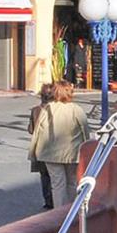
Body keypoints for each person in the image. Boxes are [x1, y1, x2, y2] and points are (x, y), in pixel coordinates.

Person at [27, 81, 89, 209]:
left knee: (57, 184)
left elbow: (38, 131)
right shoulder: (76, 109)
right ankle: (71, 211)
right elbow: (85, 131)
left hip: (50, 153)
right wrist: (88, 150)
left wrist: (34, 151)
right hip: (72, 153)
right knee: (72, 182)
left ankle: (59, 212)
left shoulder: (48, 108)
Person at [27, 81, 56, 211]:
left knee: (44, 175)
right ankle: (57, 200)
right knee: (56, 176)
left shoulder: (35, 110)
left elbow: (31, 130)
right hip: (55, 146)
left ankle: (48, 200)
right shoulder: (57, 110)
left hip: (40, 148)